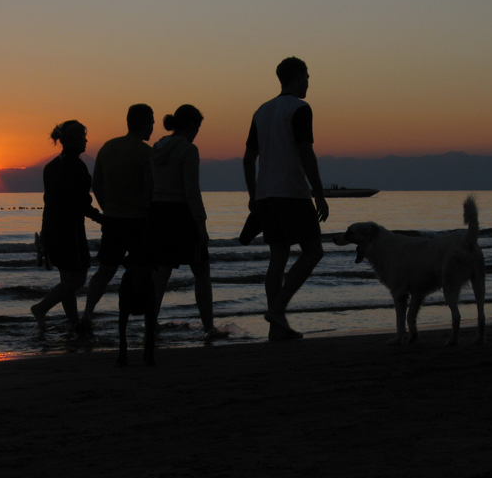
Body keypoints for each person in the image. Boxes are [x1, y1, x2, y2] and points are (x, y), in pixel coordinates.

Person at [242, 57, 329, 340]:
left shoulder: (261, 111)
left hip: (267, 195)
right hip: (291, 192)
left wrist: (254, 196)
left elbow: (248, 158)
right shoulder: (299, 108)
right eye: (306, 76)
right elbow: (306, 152)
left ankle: (275, 328)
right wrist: (319, 193)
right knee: (313, 251)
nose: (308, 82)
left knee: (278, 257)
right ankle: (278, 310)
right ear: (294, 77)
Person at [147, 104, 227, 340]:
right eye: (198, 127)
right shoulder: (188, 149)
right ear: (192, 125)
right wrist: (201, 224)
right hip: (180, 212)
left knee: (160, 273)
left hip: (158, 211)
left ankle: (151, 324)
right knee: (201, 270)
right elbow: (192, 190)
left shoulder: (157, 147)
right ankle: (208, 327)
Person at [79, 104, 155, 336]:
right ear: (144, 123)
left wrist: (106, 206)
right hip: (138, 221)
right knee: (145, 271)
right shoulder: (145, 152)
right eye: (151, 121)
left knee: (105, 271)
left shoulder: (108, 147)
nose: (153, 126)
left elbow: (97, 183)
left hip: (112, 219)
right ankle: (150, 319)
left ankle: (87, 314)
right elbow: (150, 190)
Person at [31, 120, 103, 331]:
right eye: (82, 137)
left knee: (67, 279)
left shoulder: (51, 166)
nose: (86, 141)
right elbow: (80, 202)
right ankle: (41, 308)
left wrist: (45, 233)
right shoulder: (76, 166)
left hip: (51, 226)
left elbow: (50, 201)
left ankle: (74, 323)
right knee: (78, 279)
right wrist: (100, 218)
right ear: (72, 140)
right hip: (69, 229)